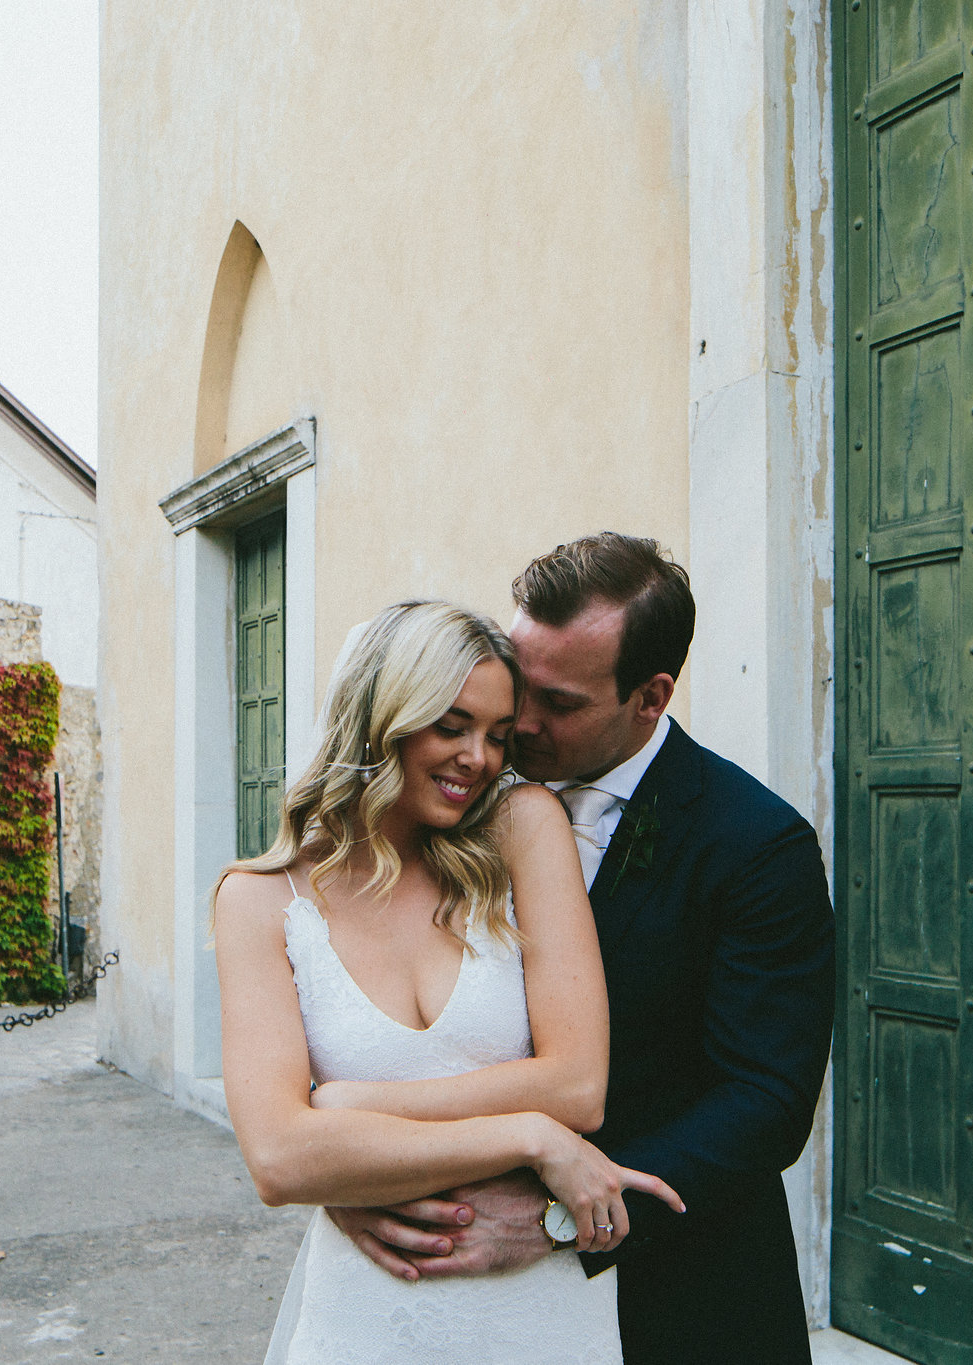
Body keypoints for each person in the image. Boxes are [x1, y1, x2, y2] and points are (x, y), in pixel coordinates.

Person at [326, 536, 836, 1365]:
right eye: (518, 686)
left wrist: (563, 1220)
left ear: (650, 695)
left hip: (682, 1293)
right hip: (453, 1289)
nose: (518, 725)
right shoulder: (444, 793)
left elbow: (765, 1100)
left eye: (557, 703)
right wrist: (354, 1169)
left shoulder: (755, 844)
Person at [213, 599, 682, 1364]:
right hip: (369, 1315)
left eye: (499, 734)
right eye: (452, 724)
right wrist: (528, 1134)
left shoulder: (524, 830)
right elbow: (280, 1158)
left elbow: (578, 1084)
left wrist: (355, 1114)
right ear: (381, 716)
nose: (481, 758)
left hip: (541, 1309)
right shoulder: (261, 900)